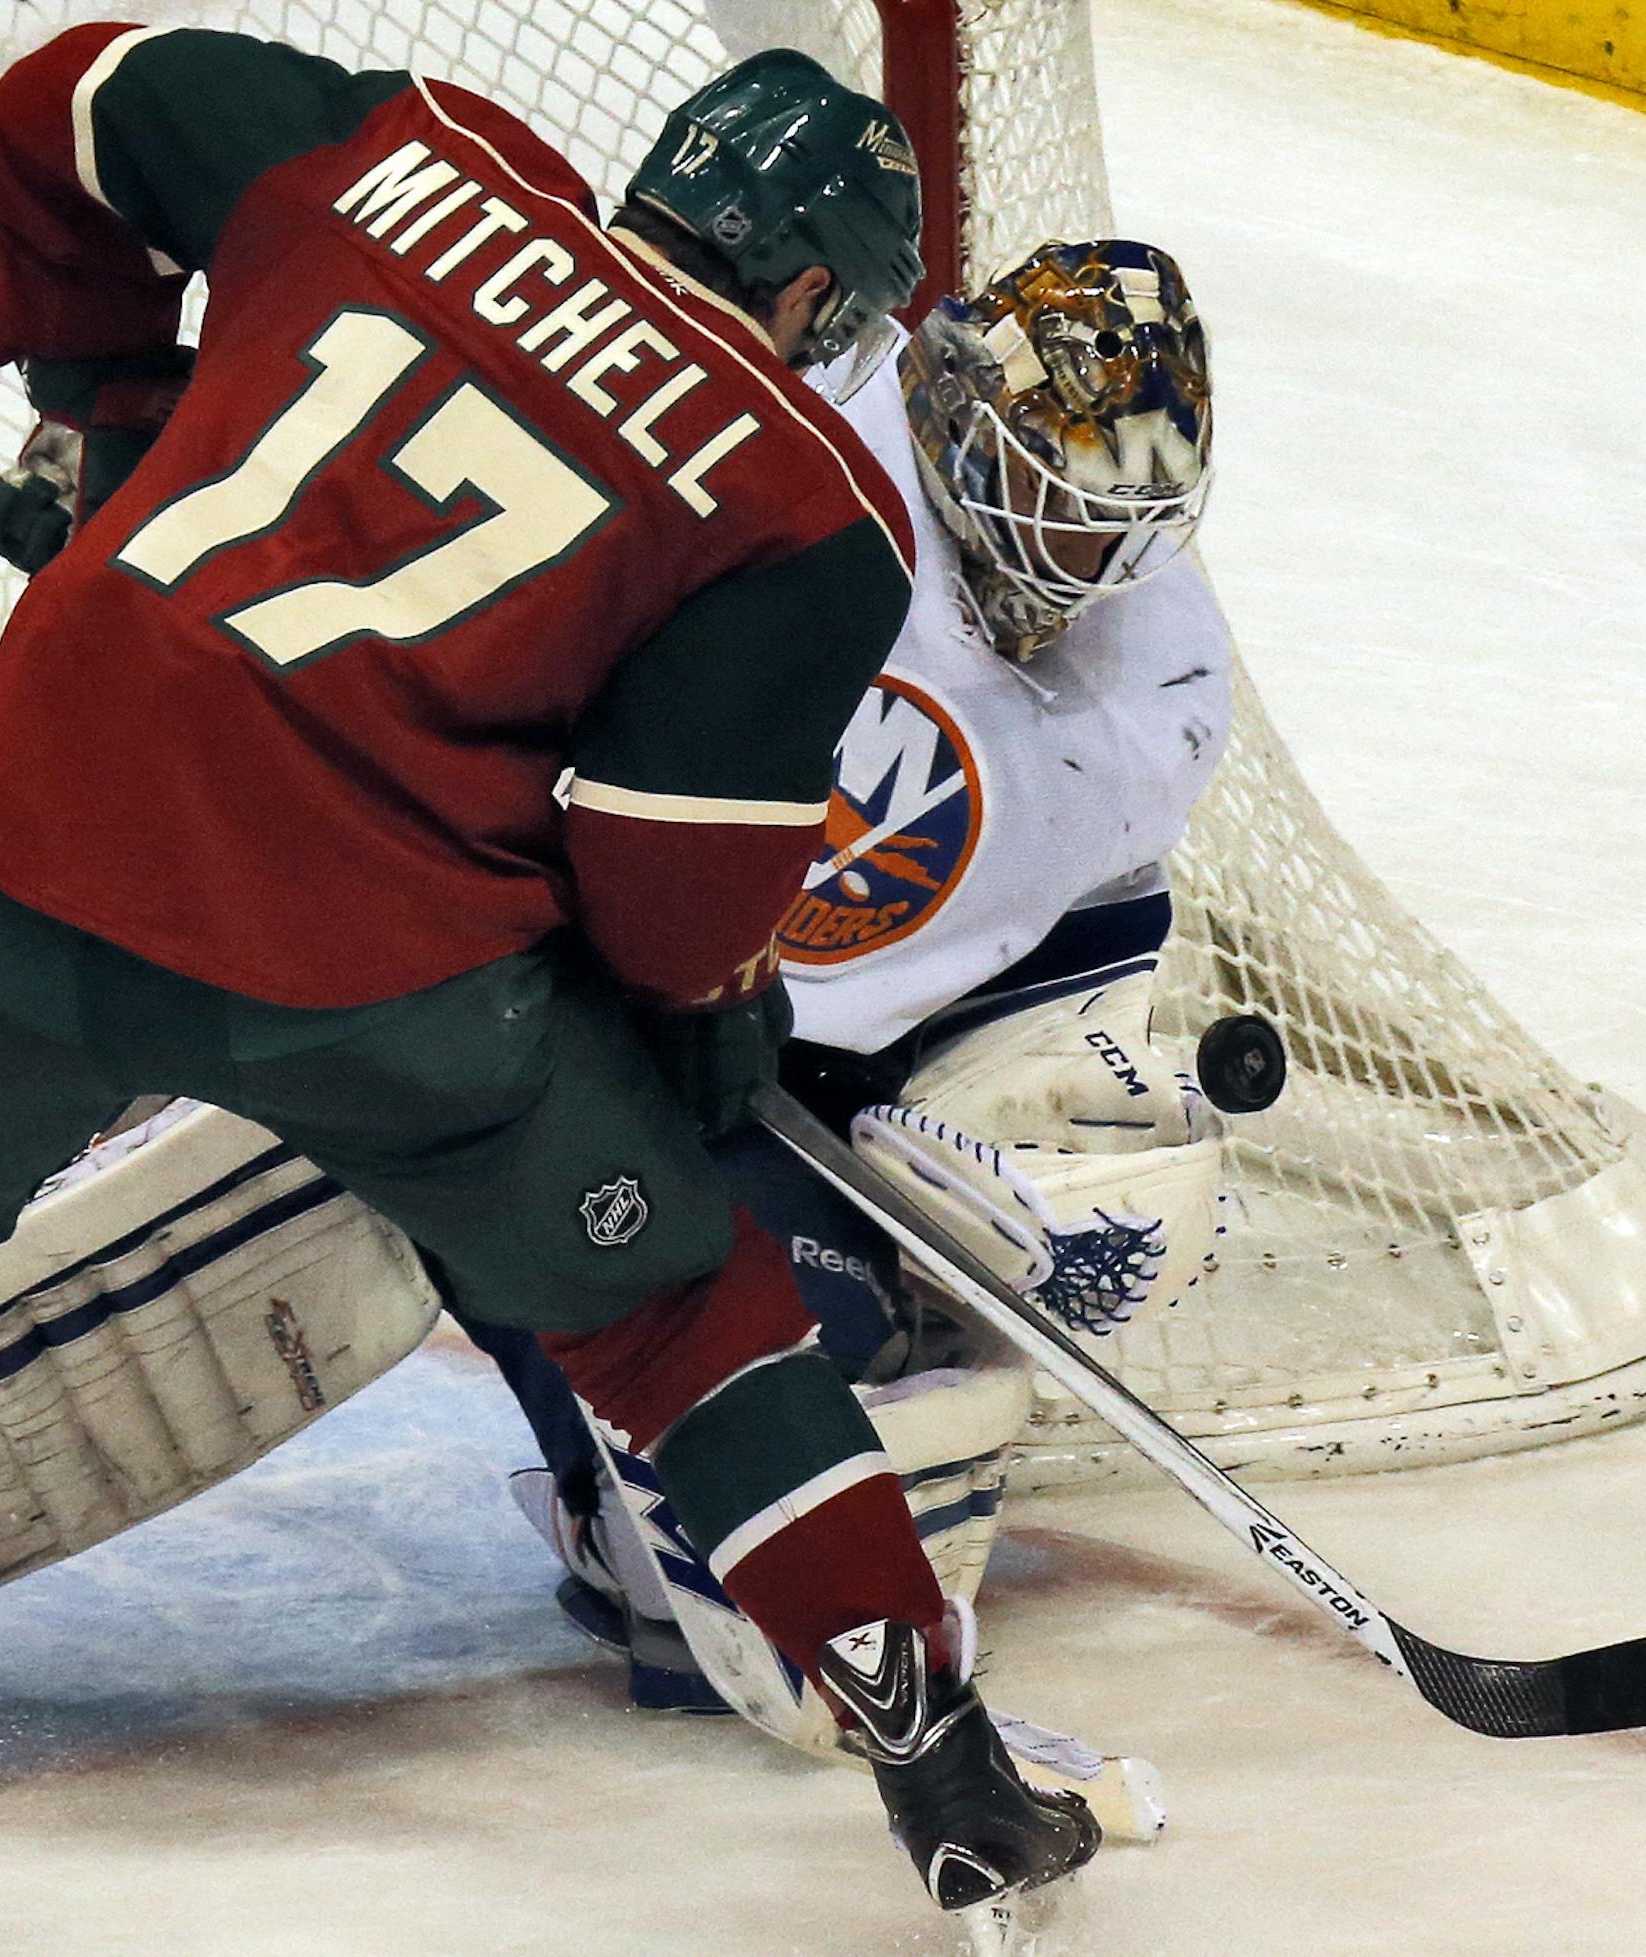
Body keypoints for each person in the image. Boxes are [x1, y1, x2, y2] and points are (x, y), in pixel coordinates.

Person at [0, 24, 1099, 1921]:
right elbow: (664, 882)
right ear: (805, 288)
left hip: (27, 847)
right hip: (384, 983)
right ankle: (940, 1766)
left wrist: (112, 411)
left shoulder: (406, 146)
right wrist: (704, 1023)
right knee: (682, 1322)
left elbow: (71, 99)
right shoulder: (802, 509)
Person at [489, 239, 1230, 1760]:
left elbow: (1079, 948)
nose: (1086, 564)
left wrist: (1034, 1135)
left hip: (809, 1083)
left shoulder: (1164, 682)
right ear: (959, 424)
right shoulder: (786, 453)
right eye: (1060, 508)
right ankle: (579, 1471)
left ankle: (640, 1496)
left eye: (1119, 530)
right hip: (591, 998)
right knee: (520, 1198)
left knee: (773, 1485)